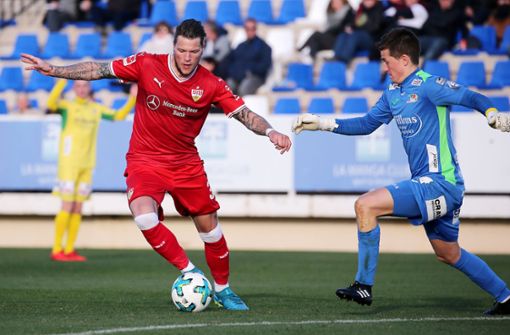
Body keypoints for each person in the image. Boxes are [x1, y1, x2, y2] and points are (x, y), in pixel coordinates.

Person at [21, 19, 291, 309]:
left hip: (185, 163)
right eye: (182, 50)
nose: (187, 57)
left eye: (194, 52)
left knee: (210, 231)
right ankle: (190, 272)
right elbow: (98, 69)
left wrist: (270, 131)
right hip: (145, 158)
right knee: (144, 216)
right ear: (173, 46)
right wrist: (55, 70)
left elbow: (245, 114)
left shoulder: (211, 84)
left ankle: (223, 289)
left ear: (203, 50)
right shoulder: (147, 64)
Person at [291, 28, 510, 315]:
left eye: (386, 61)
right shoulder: (393, 94)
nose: (384, 68)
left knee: (365, 205)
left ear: (404, 59)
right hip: (435, 185)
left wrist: (492, 113)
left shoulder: (429, 85)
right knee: (448, 252)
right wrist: (323, 123)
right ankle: (506, 298)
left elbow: (472, 97)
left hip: (439, 182)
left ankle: (363, 285)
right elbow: (367, 124)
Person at [46, 79, 136, 262]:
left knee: (78, 207)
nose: (81, 89)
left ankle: (69, 250)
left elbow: (118, 116)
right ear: (74, 88)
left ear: (89, 88)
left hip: (87, 164)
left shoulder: (96, 108)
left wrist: (133, 99)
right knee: (67, 205)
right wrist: (62, 80)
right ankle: (57, 249)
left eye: (84, 86)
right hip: (69, 164)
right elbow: (50, 103)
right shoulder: (67, 106)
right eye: (77, 86)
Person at [226, 18, 272, 96]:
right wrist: (234, 73)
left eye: (252, 28)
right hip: (238, 77)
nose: (250, 31)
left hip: (255, 77)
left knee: (244, 88)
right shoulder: (240, 46)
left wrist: (249, 71)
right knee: (227, 87)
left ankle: (241, 108)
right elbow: (231, 62)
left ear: (256, 29)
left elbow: (264, 66)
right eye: (247, 28)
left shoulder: (264, 47)